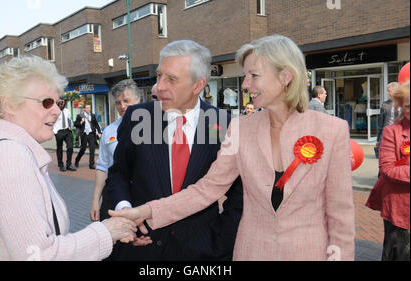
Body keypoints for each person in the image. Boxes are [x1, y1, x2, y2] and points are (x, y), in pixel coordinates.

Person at [110, 34, 355, 261]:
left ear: (285, 77)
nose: (245, 85)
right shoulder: (239, 128)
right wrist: (146, 211)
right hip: (251, 253)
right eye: (245, 76)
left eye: (254, 76)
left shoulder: (333, 131)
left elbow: (340, 216)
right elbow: (206, 190)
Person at [0, 56, 137, 261]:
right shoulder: (7, 155)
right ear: (9, 105)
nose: (56, 110)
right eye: (46, 102)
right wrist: (106, 231)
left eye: (58, 102)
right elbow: (39, 255)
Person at [100, 40, 243, 261]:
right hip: (141, 249)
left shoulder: (220, 123)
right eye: (159, 76)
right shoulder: (139, 118)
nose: (159, 87)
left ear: (198, 85)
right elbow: (118, 174)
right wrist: (126, 219)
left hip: (200, 251)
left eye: (171, 79)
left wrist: (221, 240)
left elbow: (238, 192)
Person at [366, 80, 410, 261]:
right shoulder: (392, 132)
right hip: (400, 208)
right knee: (397, 255)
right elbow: (387, 169)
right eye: (408, 105)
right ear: (401, 106)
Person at [90, 79, 140, 222]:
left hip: (141, 198)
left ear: (138, 99)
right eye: (118, 102)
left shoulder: (152, 129)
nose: (122, 106)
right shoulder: (109, 131)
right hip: (113, 197)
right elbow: (102, 167)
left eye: (126, 100)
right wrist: (95, 201)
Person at [74, 104, 102, 169]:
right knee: (83, 149)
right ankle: (77, 160)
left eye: (90, 108)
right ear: (84, 109)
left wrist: (99, 132)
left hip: (91, 134)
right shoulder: (80, 116)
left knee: (92, 149)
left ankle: (91, 164)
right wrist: (81, 122)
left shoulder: (92, 115)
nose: (89, 109)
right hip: (84, 134)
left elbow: (96, 124)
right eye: (87, 108)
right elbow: (75, 124)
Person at [53, 99, 76, 172]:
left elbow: (70, 120)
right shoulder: (54, 112)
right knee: (59, 149)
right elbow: (52, 122)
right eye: (60, 103)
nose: (62, 104)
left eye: (63, 103)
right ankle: (61, 165)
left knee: (70, 147)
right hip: (59, 132)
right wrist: (55, 132)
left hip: (67, 131)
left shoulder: (67, 111)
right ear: (58, 104)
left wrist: (71, 126)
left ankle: (68, 164)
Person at [377, 82, 400, 152]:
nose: (387, 93)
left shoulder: (404, 103)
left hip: (400, 135)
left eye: (389, 91)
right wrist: (378, 139)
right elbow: (380, 123)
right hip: (387, 135)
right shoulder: (385, 104)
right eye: (387, 91)